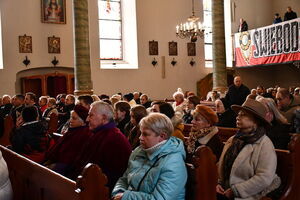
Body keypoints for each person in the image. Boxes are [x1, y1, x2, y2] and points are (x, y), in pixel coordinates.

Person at [112, 113, 187, 200]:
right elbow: (125, 179)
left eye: (145, 134)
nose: (140, 138)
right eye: (140, 133)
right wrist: (118, 192)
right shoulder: (139, 151)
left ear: (162, 136)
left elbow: (160, 198)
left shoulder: (173, 162)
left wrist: (126, 196)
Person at [217, 98, 281, 199]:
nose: (238, 117)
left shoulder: (264, 144)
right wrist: (218, 183)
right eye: (238, 114)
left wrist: (236, 191)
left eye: (243, 115)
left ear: (256, 120)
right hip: (224, 191)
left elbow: (264, 177)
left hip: (249, 195)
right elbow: (221, 166)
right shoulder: (233, 140)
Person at [66, 102, 131, 192]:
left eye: (91, 115)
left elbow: (106, 176)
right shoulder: (100, 133)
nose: (87, 119)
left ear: (104, 118)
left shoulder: (113, 138)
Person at [44, 105, 92, 174]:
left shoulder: (83, 134)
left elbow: (71, 158)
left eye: (74, 118)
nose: (70, 120)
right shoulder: (72, 130)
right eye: (70, 117)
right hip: (59, 163)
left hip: (67, 168)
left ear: (83, 122)